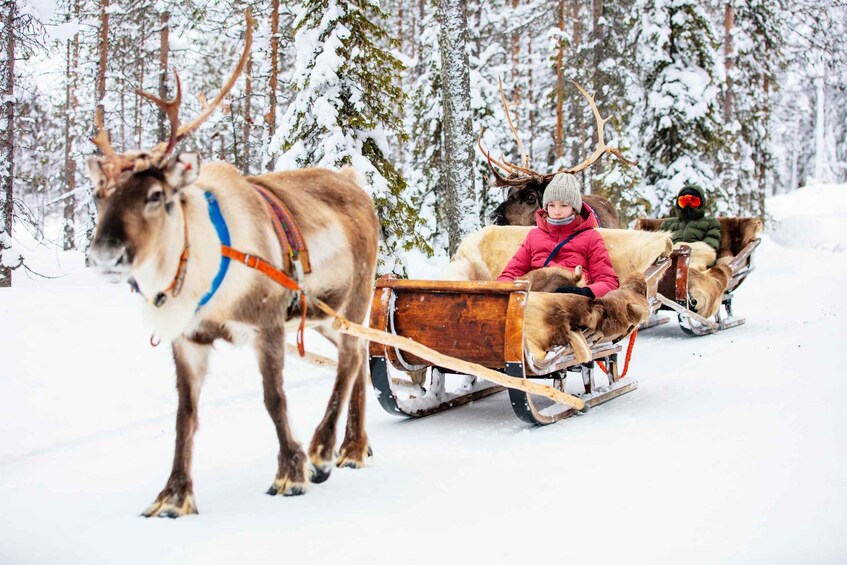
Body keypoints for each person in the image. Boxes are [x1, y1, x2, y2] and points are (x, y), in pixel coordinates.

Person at [495, 173, 619, 298]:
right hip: (536, 300)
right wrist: (498, 292)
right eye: (551, 205)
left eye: (564, 205)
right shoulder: (534, 236)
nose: (557, 211)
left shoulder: (591, 237)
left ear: (574, 208)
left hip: (573, 303)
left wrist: (584, 292)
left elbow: (609, 282)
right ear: (546, 207)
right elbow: (511, 273)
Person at [660, 184, 722, 253]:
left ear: (701, 203)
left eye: (693, 201)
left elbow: (710, 246)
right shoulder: (667, 224)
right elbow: (659, 245)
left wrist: (686, 250)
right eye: (683, 201)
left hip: (698, 259)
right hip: (670, 259)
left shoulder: (711, 223)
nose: (688, 205)